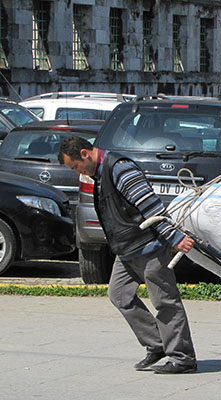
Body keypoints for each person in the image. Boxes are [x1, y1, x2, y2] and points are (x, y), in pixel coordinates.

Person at [58, 136, 197, 374]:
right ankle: (157, 344)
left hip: (149, 247)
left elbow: (149, 205)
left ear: (84, 154)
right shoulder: (99, 174)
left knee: (165, 301)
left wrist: (173, 237)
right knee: (119, 294)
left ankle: (182, 358)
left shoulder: (119, 168)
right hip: (126, 249)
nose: (77, 173)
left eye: (75, 167)